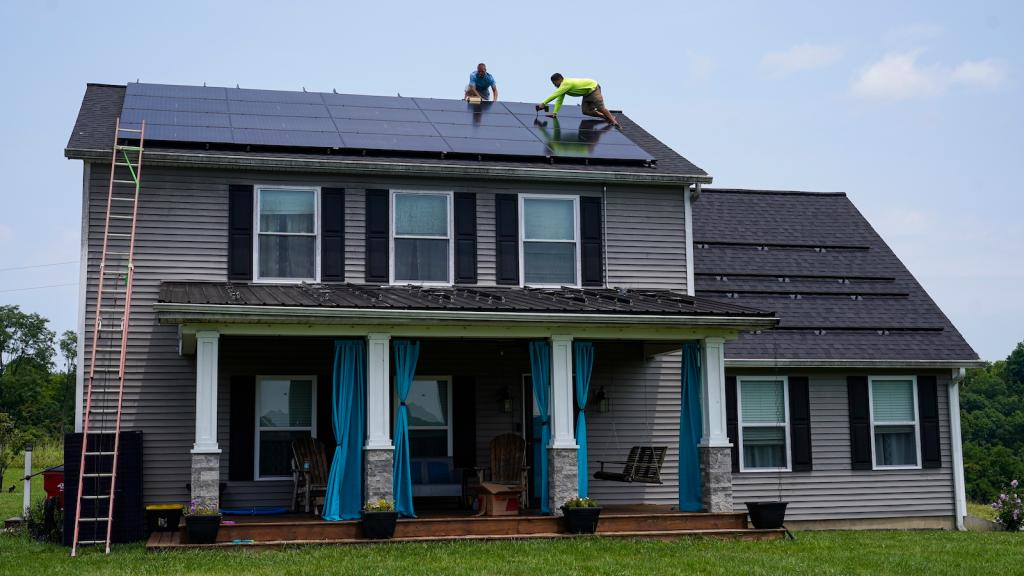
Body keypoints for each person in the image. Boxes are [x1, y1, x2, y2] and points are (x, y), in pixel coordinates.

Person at [536, 74, 619, 127]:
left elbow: (555, 95)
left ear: (559, 80)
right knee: (586, 111)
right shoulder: (563, 87)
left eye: (555, 83)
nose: (555, 86)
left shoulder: (566, 83)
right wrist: (555, 113)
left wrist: (543, 103)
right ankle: (608, 117)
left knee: (600, 107)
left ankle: (614, 122)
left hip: (593, 88)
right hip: (586, 94)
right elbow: (559, 100)